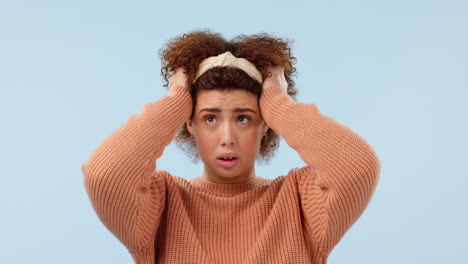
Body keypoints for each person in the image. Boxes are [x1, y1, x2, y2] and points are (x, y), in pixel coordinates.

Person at [81, 30, 381, 264]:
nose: (227, 137)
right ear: (189, 123)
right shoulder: (161, 205)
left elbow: (356, 169)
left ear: (264, 126)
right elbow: (105, 175)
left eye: (243, 118)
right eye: (210, 118)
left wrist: (278, 103)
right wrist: (175, 103)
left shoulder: (299, 201)